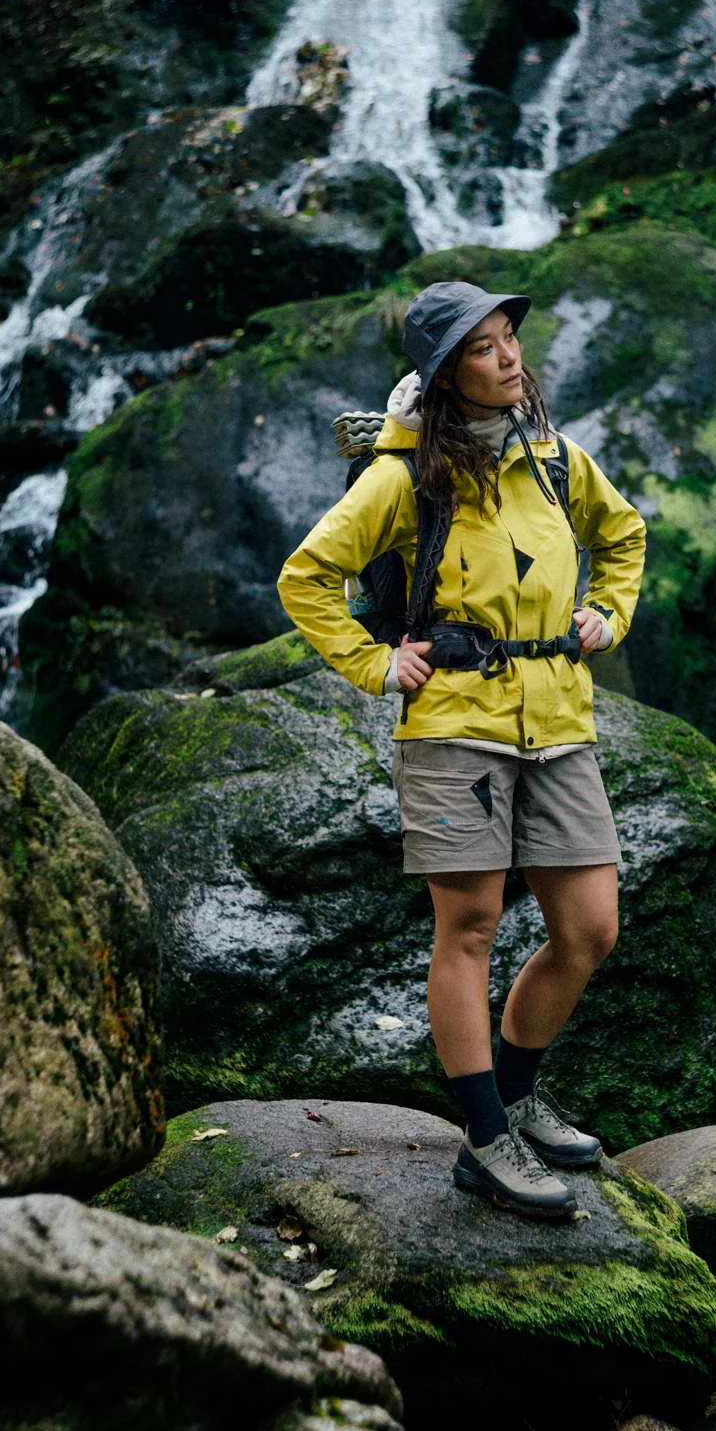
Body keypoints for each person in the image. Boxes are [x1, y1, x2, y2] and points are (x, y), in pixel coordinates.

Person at [277, 281, 646, 1218]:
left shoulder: (556, 459)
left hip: (557, 721)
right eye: (483, 348)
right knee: (471, 927)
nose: (509, 356)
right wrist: (374, 662)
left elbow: (624, 534)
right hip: (454, 726)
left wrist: (607, 612)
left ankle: (516, 1097)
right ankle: (484, 1139)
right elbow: (307, 575)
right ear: (446, 374)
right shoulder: (405, 476)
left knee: (589, 929)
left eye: (510, 336)